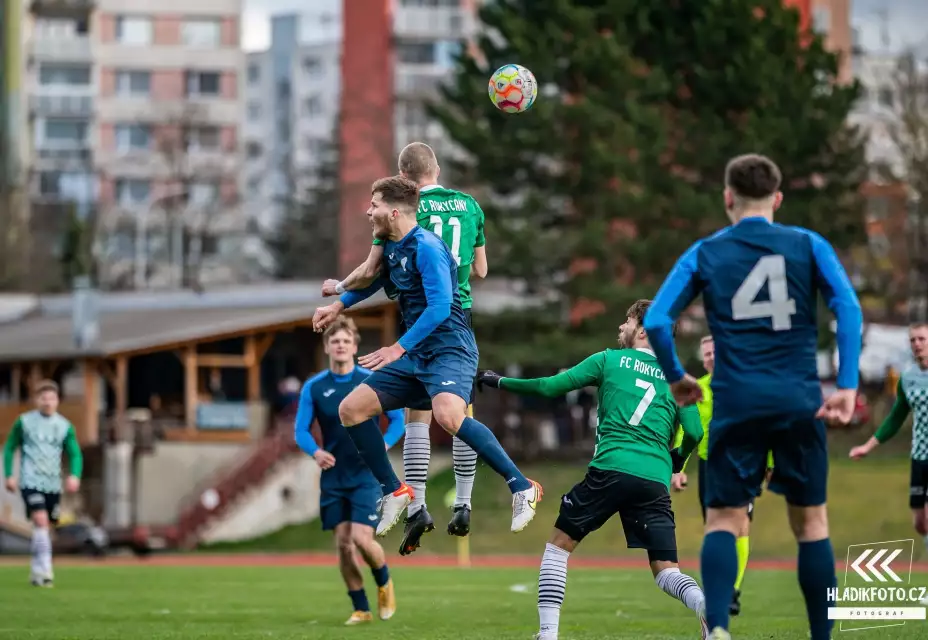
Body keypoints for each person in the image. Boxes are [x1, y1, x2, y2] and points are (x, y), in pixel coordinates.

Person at [642, 153, 863, 640]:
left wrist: (678, 375)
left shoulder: (705, 251)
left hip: (736, 404)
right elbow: (847, 305)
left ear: (727, 198)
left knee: (723, 518)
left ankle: (718, 628)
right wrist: (847, 384)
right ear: (777, 199)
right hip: (798, 400)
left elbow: (656, 319)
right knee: (811, 525)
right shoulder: (808, 243)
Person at [312, 175, 542, 538]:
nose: (368, 211)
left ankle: (521, 486)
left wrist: (395, 348)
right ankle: (396, 490)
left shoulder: (428, 248)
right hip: (416, 353)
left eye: (373, 205)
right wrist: (339, 305)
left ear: (392, 211)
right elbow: (373, 281)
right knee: (350, 410)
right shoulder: (392, 243)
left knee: (449, 416)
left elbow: (439, 307)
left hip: (450, 347)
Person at [477, 300, 709, 640]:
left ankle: (547, 634)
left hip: (611, 469)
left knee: (558, 547)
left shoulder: (609, 360)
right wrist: (677, 460)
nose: (621, 328)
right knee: (665, 570)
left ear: (642, 330)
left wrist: (500, 382)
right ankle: (705, 606)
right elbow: (696, 432)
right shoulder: (678, 379)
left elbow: (548, 387)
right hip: (654, 480)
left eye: (626, 321)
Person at [323, 142, 487, 554]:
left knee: (418, 416)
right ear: (437, 168)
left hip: (422, 316)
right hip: (461, 317)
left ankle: (416, 505)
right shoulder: (469, 206)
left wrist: (340, 288)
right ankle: (464, 501)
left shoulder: (403, 212)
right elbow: (481, 269)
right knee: (458, 414)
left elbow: (372, 270)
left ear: (404, 181)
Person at [294, 317, 406, 625]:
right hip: (334, 477)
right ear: (327, 347)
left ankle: (384, 581)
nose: (340, 345)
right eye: (335, 341)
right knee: (343, 545)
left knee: (360, 538)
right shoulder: (315, 388)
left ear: (354, 347)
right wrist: (315, 452)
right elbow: (301, 430)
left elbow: (398, 419)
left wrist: (384, 444)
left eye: (346, 341)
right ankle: (361, 608)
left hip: (366, 474)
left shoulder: (371, 380)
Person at [671, 335, 773, 616]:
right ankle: (722, 588)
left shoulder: (745, 386)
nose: (711, 356)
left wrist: (770, 462)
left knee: (740, 523)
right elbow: (687, 429)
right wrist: (678, 467)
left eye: (715, 350)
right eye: (706, 353)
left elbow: (764, 425)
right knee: (715, 528)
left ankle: (732, 591)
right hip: (709, 464)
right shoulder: (697, 389)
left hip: (743, 464)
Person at [850, 323, 928, 554]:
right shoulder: (908, 378)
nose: (917, 344)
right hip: (919, 457)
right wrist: (868, 446)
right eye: (913, 340)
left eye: (922, 339)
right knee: (920, 523)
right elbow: (896, 417)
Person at [3, 379, 83, 587]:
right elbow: (10, 447)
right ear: (36, 400)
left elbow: (75, 453)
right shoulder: (25, 422)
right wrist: (9, 475)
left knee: (46, 527)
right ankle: (46, 570)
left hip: (52, 483)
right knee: (40, 520)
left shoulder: (64, 426)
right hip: (31, 480)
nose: (47, 402)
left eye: (51, 398)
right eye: (43, 398)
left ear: (57, 401)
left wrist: (74, 475)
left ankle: (36, 570)